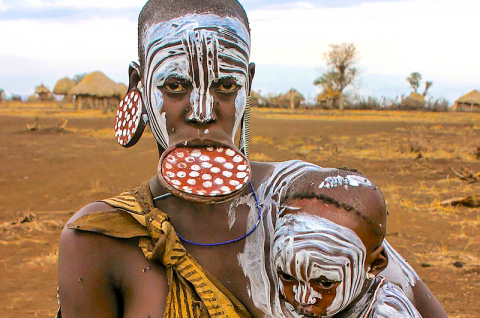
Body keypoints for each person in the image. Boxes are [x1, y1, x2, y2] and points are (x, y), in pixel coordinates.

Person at [58, 0, 447, 317]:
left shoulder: (308, 204)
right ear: (139, 86)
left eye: (226, 86)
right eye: (175, 85)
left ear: (249, 84)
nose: (202, 111)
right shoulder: (101, 237)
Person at [271, 169, 421, 317]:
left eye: (325, 283)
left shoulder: (387, 313)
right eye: (287, 276)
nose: (302, 299)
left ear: (374, 264)